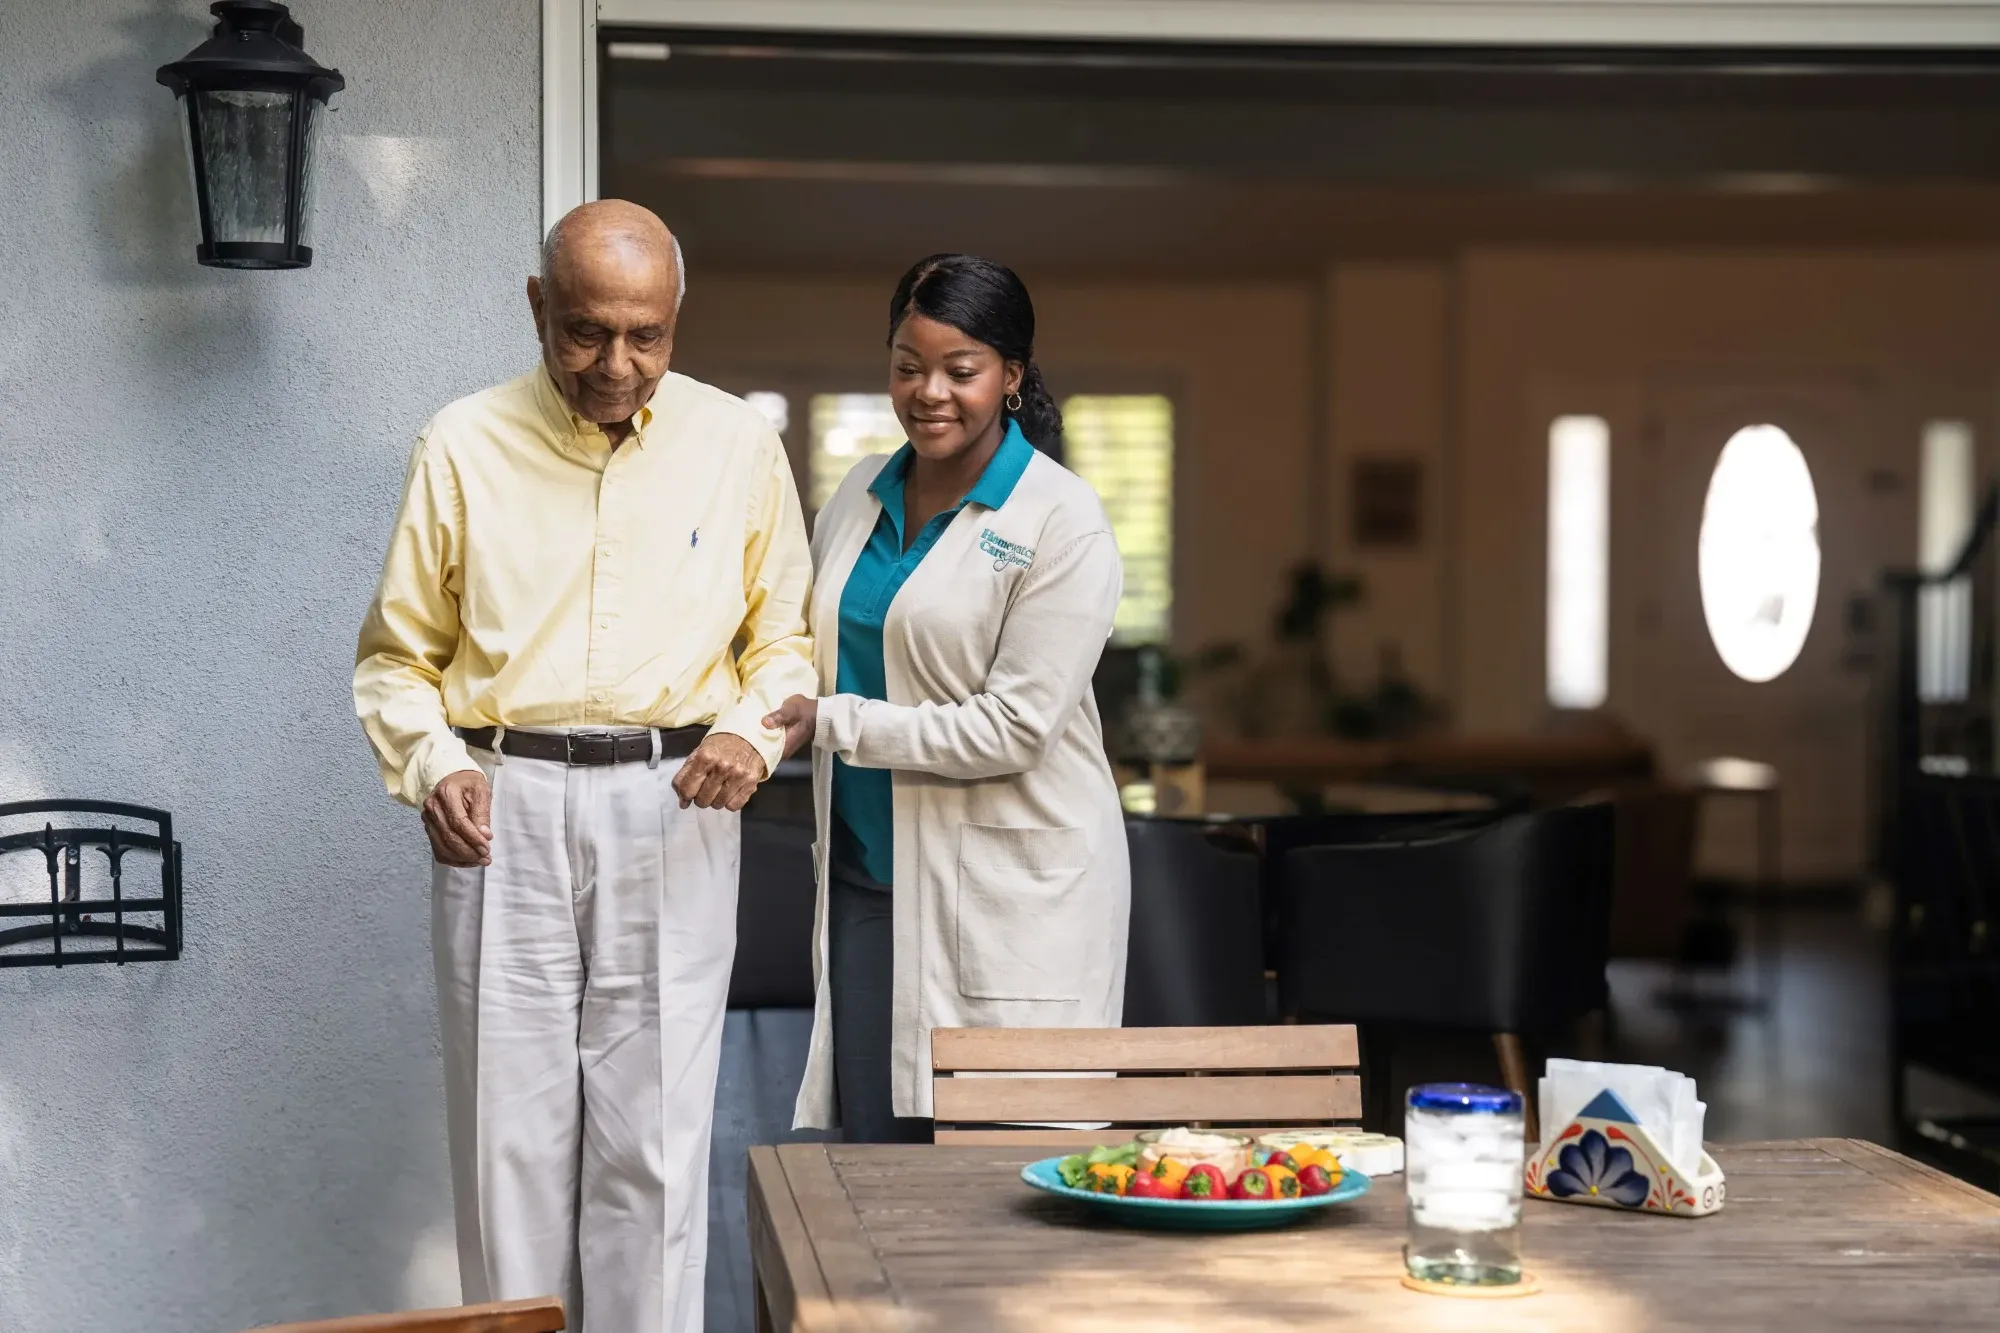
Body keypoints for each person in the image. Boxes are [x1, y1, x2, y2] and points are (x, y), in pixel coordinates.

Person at [352, 199, 813, 1333]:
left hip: (676, 803)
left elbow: (786, 643)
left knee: (653, 1147)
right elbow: (397, 658)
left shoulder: (738, 446)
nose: (617, 365)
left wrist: (750, 733)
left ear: (676, 319)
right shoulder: (460, 442)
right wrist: (427, 763)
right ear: (535, 308)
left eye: (646, 336)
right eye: (585, 333)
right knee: (504, 1141)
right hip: (504, 803)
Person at [764, 254, 1130, 1142]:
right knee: (876, 1161)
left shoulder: (1058, 518)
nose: (929, 391)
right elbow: (802, 642)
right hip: (864, 875)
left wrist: (834, 721)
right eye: (906, 364)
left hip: (1008, 894)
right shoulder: (858, 493)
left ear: (1011, 376)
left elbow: (1015, 727)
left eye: (960, 370)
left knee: (1001, 1170)